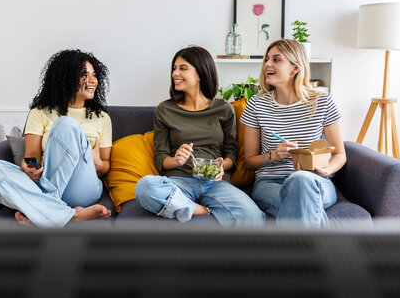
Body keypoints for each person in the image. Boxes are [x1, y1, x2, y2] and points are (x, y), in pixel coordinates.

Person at [0, 49, 113, 227]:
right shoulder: (39, 112)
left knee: (66, 125)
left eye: (94, 75)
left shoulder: (102, 118)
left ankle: (43, 207)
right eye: (84, 75)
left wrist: (97, 163)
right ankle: (66, 215)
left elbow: (105, 167)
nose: (92, 81)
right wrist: (29, 166)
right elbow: (31, 157)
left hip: (82, 186)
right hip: (42, 180)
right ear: (66, 78)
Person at [135, 46, 265, 227]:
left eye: (183, 68)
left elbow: (231, 153)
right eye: (174, 68)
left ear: (200, 74)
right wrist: (177, 160)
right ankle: (200, 210)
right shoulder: (165, 110)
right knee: (145, 187)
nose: (175, 73)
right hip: (179, 182)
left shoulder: (223, 109)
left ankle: (182, 208)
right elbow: (161, 157)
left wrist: (221, 166)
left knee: (254, 217)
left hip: (215, 183)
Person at [241, 39, 346, 228]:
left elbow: (340, 154)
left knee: (301, 179)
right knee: (303, 203)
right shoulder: (256, 104)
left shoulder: (322, 102)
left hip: (316, 181)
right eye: (266, 59)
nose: (267, 64)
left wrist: (326, 171)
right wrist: (274, 155)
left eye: (276, 59)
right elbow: (249, 161)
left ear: (295, 68)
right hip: (270, 182)